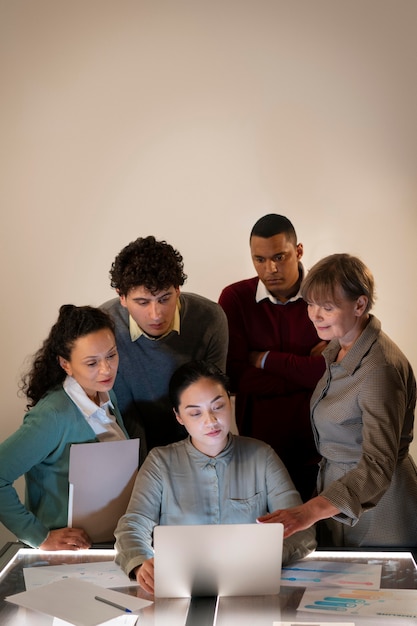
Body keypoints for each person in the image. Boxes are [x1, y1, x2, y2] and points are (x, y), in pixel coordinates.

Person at [114, 360, 317, 594]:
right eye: (195, 413)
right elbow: (133, 524)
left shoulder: (261, 456)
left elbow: (302, 529)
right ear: (179, 416)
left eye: (217, 407)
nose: (210, 421)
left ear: (230, 400)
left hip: (250, 587)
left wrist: (262, 558)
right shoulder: (160, 462)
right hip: (180, 590)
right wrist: (141, 562)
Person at [259, 253, 417, 548]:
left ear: (360, 304)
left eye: (327, 307)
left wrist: (309, 511)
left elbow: (377, 465)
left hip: (381, 509)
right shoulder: (338, 347)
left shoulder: (379, 370)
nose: (314, 315)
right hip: (337, 499)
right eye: (311, 304)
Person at [0, 305, 129, 550]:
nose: (106, 369)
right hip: (68, 557)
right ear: (65, 364)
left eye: (111, 355)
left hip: (106, 547)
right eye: (92, 363)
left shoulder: (106, 392)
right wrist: (39, 537)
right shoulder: (53, 416)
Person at [218, 214, 326, 501]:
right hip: (256, 450)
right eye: (260, 259)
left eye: (280, 256)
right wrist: (303, 373)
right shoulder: (235, 299)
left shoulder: (325, 294)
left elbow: (330, 371)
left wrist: (263, 359)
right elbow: (234, 376)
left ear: (299, 251)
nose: (271, 268)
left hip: (320, 450)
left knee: (317, 540)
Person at [102, 235, 228, 460]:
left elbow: (212, 400)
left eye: (164, 299)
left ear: (178, 289)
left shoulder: (210, 318)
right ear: (121, 297)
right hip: (130, 446)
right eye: (142, 302)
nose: (156, 314)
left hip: (198, 445)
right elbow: (123, 414)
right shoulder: (105, 327)